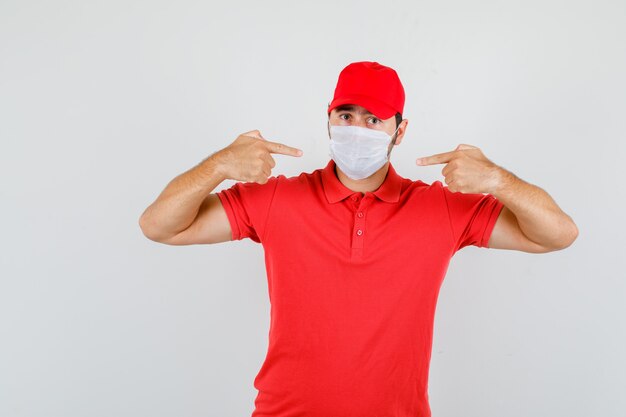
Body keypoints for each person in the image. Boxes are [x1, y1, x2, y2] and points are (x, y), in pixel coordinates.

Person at [139, 61, 578, 417]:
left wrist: (497, 180)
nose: (356, 129)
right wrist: (219, 165)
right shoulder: (279, 200)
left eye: (374, 119)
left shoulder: (441, 208)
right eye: (345, 116)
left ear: (400, 131)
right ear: (328, 118)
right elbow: (160, 225)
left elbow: (557, 235)